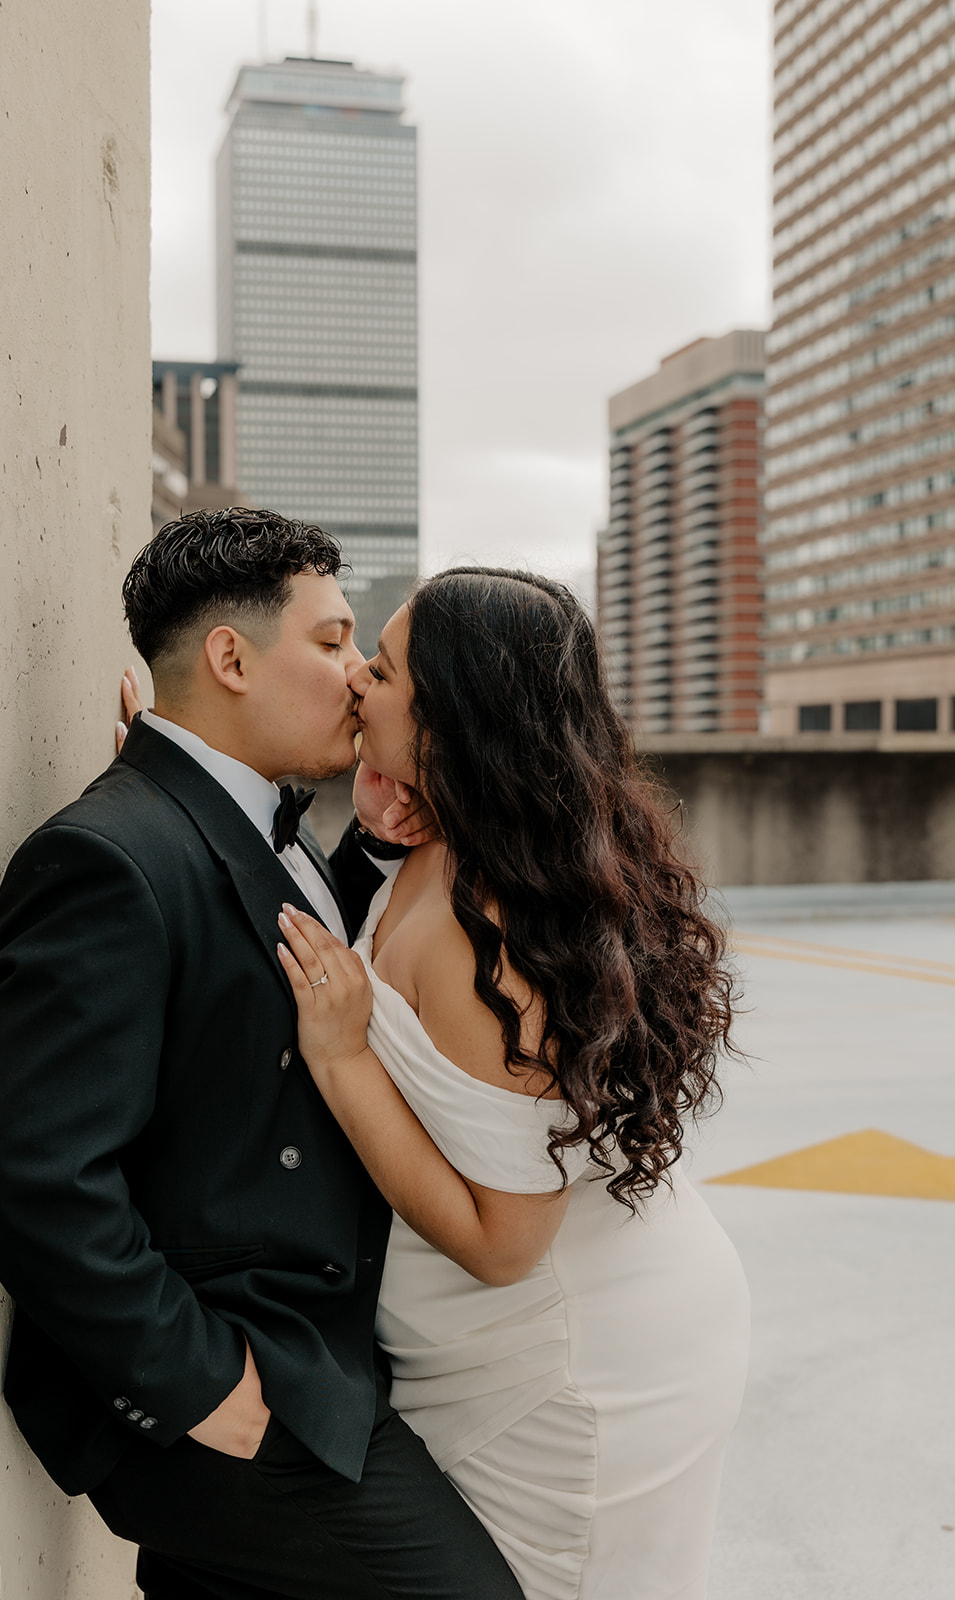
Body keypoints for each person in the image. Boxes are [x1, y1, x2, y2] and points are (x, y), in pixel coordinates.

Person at [0, 510, 525, 1600]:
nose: (358, 675)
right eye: (330, 641)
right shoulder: (110, 858)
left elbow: (280, 958)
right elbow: (31, 1177)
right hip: (223, 1382)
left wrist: (368, 840)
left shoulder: (252, 822)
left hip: (306, 1355)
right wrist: (202, 1385)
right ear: (229, 657)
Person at [273, 568, 752, 1600]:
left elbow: (502, 1241)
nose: (357, 678)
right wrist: (378, 808)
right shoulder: (452, 840)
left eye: (385, 668)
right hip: (539, 1321)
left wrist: (342, 1056)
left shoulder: (486, 933)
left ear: (450, 717)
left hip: (568, 1362)